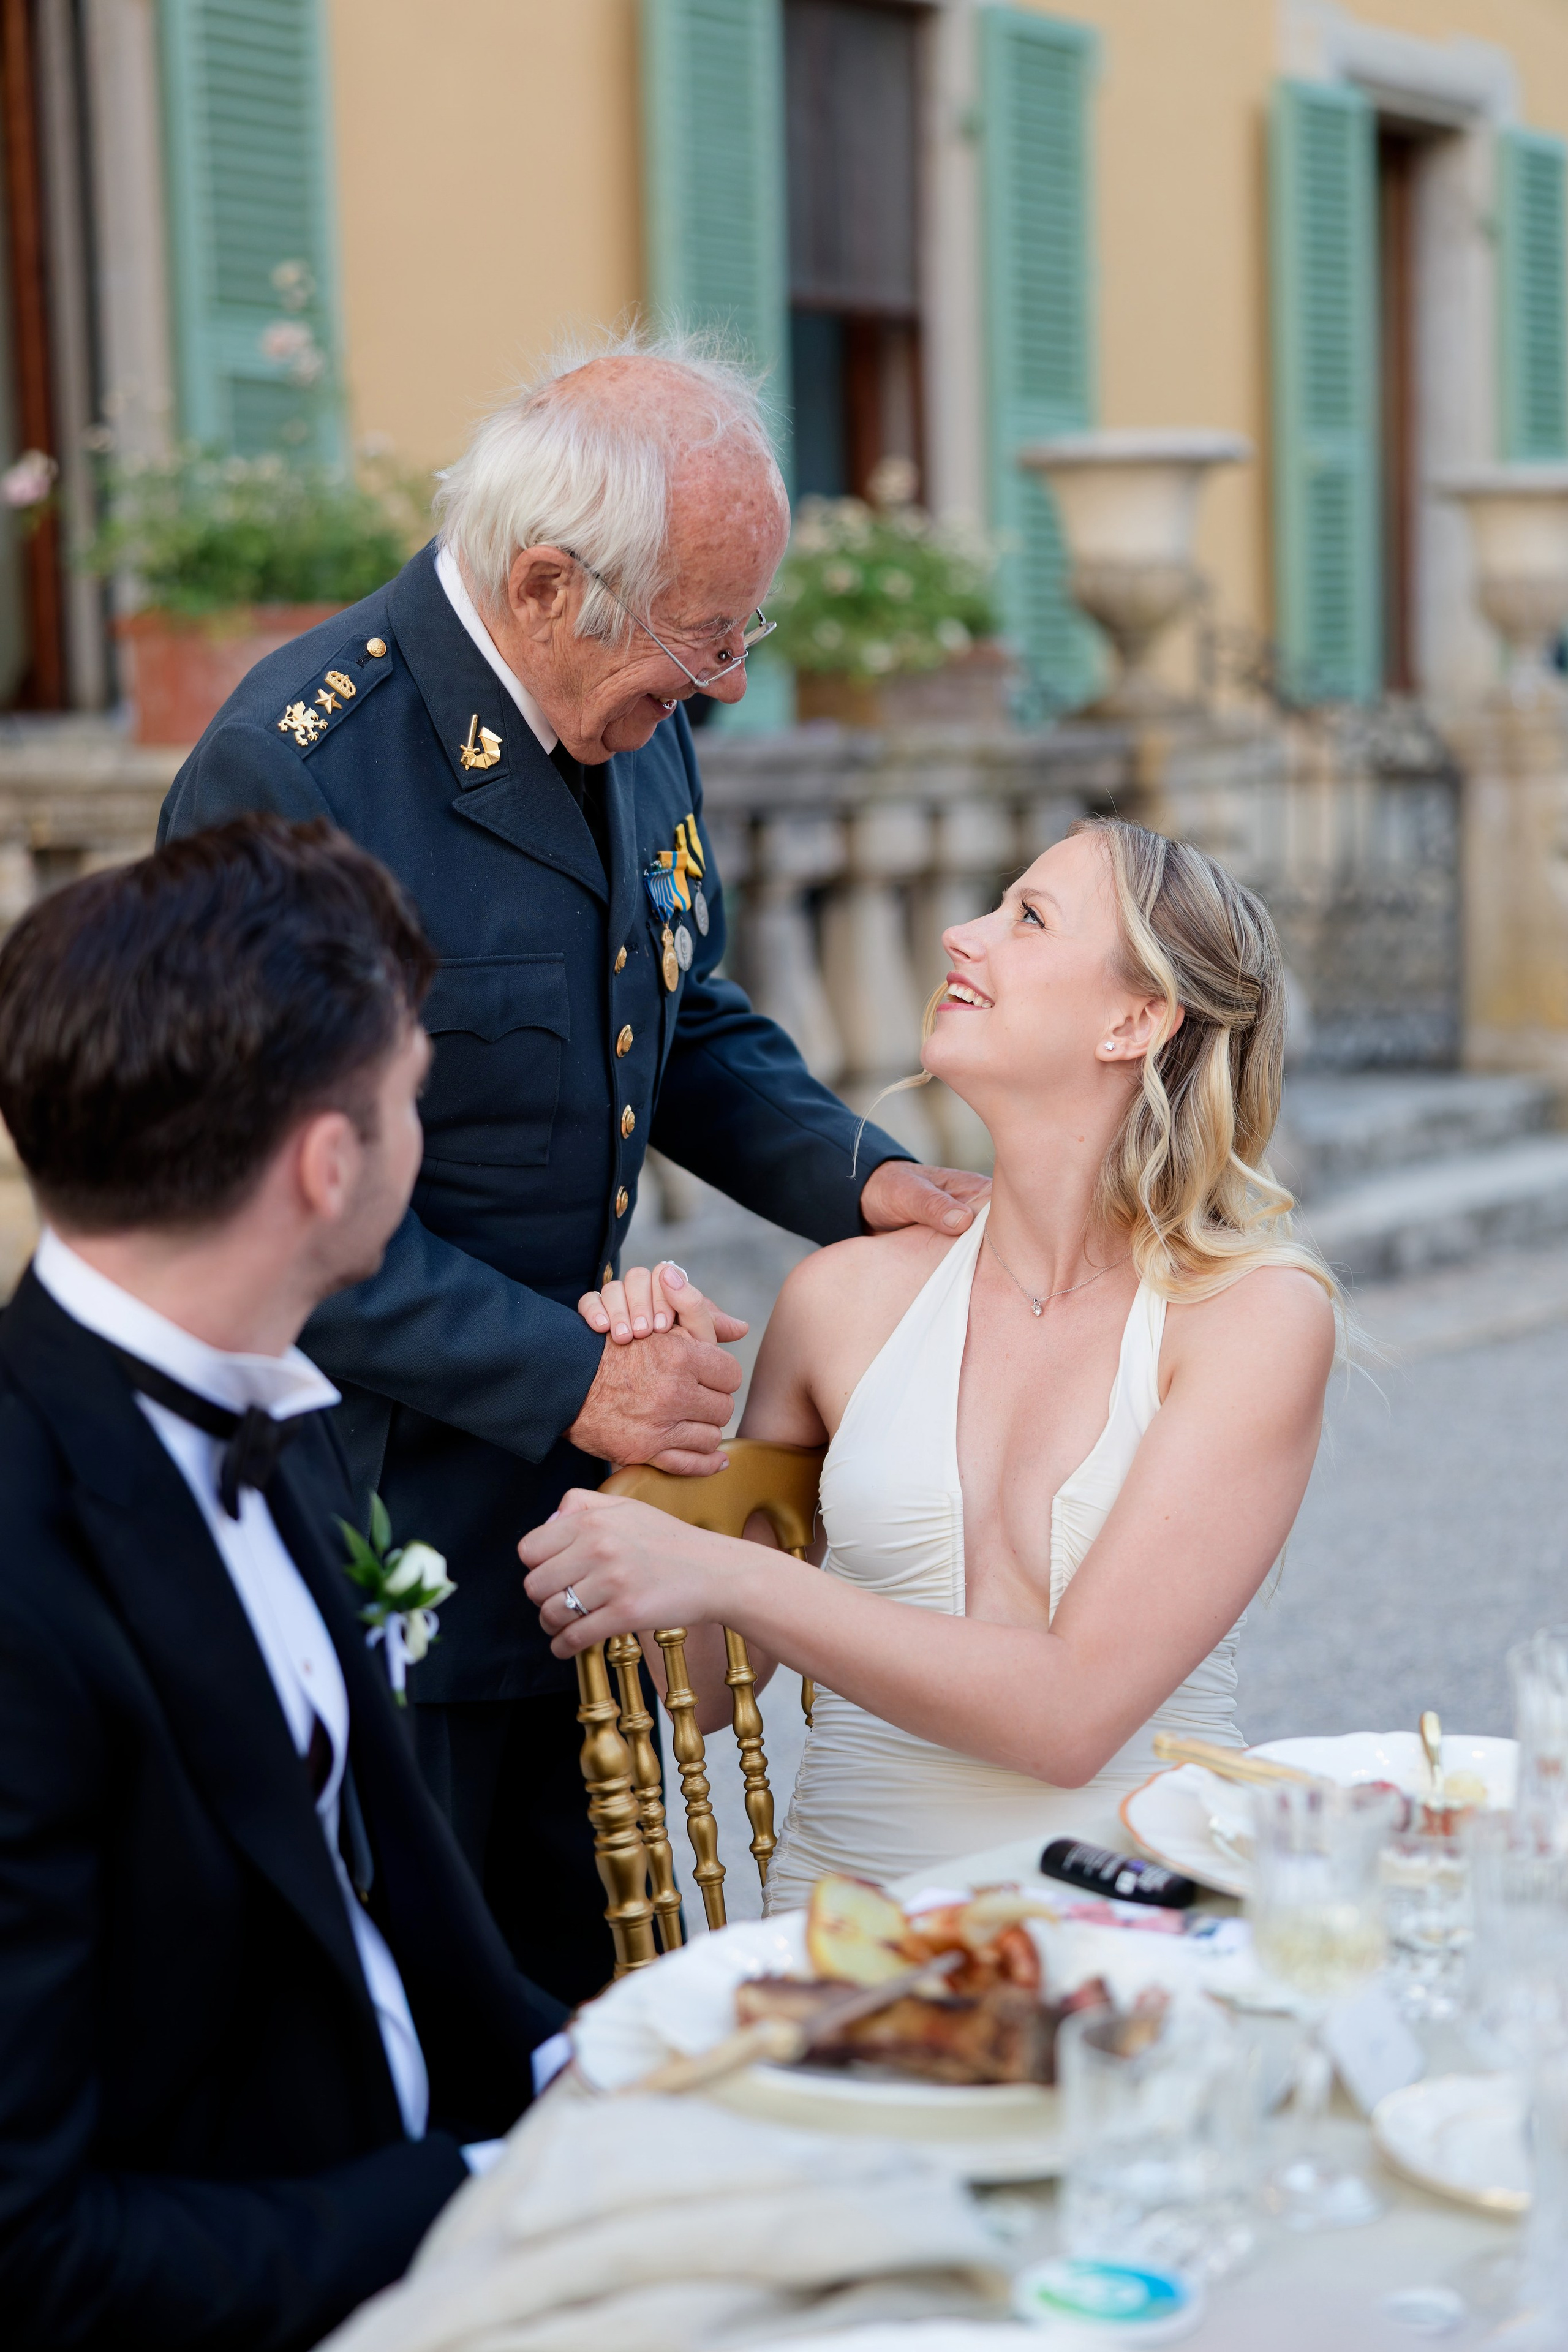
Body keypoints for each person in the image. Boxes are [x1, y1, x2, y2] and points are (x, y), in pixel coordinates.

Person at [156, 331, 987, 2000]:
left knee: (577, 2001)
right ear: (547, 584)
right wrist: (569, 1380)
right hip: (383, 1524)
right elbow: (247, 1208)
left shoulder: (631, 699)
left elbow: (682, 1013)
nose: (734, 681)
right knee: (414, 2020)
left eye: (745, 632)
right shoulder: (301, 767)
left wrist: (876, 1183)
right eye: (709, 636)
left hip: (579, 1522)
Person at [521, 817, 1340, 1903]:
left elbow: (1069, 1719)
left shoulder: (1251, 1316)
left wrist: (732, 1569)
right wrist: (664, 1435)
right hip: (839, 1948)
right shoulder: (841, 1302)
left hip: (1128, 1937)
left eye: (1029, 919)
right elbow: (713, 1691)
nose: (962, 934)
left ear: (1135, 1020)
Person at [0, 816, 565, 2352]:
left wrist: (591, 2081)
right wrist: (476, 2194)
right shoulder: (20, 1589)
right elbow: (33, 2246)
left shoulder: (272, 1408)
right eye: (410, 1104)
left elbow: (386, 1894)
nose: (418, 1138)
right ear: (329, 1166)